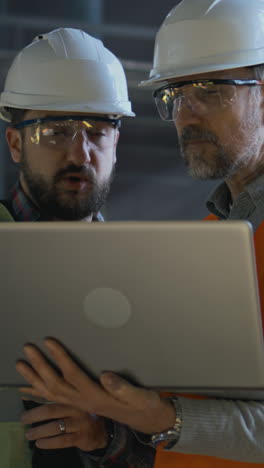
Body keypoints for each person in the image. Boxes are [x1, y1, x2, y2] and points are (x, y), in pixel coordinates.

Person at [15, 0, 264, 467]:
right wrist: (112, 428)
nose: (185, 116)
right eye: (175, 95)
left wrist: (163, 417)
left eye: (209, 90)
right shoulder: (210, 241)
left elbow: (173, 416)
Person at [0, 27, 134, 467]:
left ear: (116, 142)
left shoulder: (144, 270)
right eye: (55, 132)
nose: (80, 153)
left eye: (98, 131)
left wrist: (108, 436)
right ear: (16, 143)